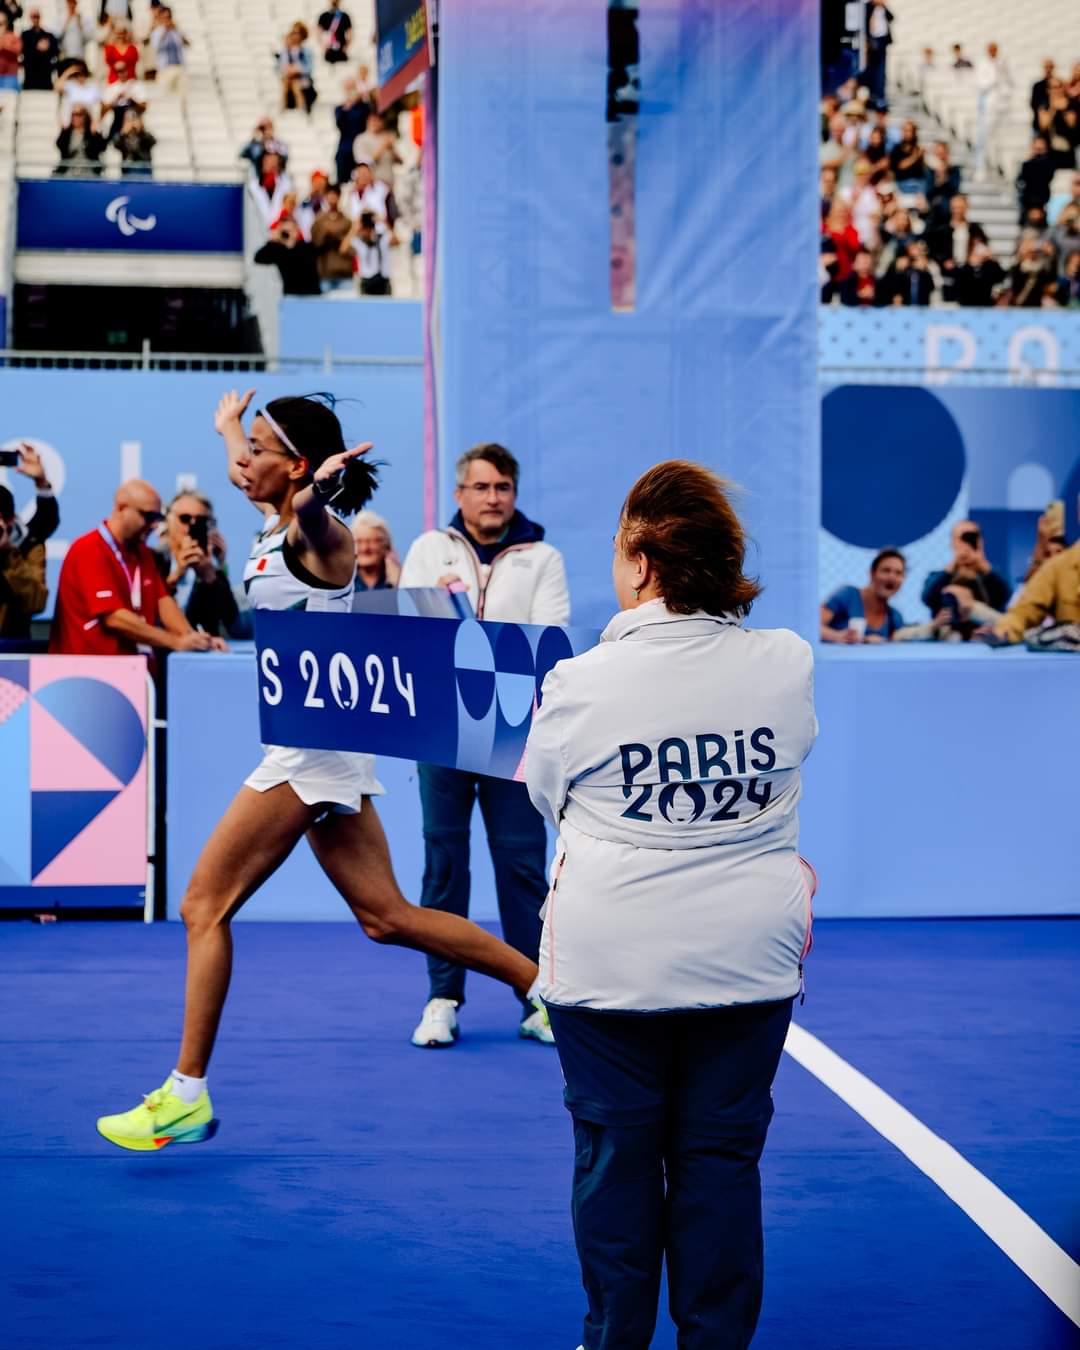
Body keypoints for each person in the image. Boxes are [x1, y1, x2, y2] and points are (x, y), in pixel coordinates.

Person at [94, 390, 546, 1152]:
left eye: (260, 451)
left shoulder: (319, 536)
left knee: (204, 905)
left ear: (298, 468)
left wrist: (317, 494)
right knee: (388, 917)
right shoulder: (269, 522)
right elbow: (257, 470)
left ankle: (185, 1095)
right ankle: (548, 986)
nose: (241, 463)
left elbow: (310, 514)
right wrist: (231, 427)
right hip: (321, 745)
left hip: (310, 755)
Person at [525, 460, 817, 1350]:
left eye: (619, 549)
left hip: (613, 966)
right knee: (721, 1167)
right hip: (750, 961)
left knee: (615, 1165)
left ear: (644, 566)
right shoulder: (787, 662)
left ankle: (615, 1340)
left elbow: (547, 795)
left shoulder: (581, 682)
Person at [398, 441, 569, 1049]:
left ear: (513, 494)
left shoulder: (542, 558)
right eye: (480, 487)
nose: (491, 497)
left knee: (523, 869)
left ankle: (538, 997)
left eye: (501, 487)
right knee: (444, 866)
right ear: (459, 494)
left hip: (517, 736)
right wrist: (456, 625)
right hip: (441, 730)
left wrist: (465, 629)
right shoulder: (426, 549)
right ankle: (442, 998)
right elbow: (413, 632)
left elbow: (544, 641)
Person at [49, 479, 222, 666]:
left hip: (131, 675)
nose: (155, 525)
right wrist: (176, 642)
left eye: (158, 518)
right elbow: (114, 618)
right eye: (148, 516)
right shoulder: (88, 549)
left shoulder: (143, 553)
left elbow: (163, 602)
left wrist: (197, 640)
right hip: (88, 676)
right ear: (121, 509)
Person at [153, 491, 240, 638]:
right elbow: (147, 615)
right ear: (169, 521)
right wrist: (175, 576)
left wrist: (211, 575)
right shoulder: (154, 559)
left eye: (200, 520)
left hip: (200, 654)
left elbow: (232, 623)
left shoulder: (210, 567)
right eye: (185, 518)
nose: (191, 526)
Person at [0, 444, 58, 641]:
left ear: (10, 520)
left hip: (11, 647)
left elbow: (35, 602)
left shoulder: (28, 545)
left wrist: (8, 555)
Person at [988, 540, 1080, 642]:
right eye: (1047, 553)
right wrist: (1002, 631)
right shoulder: (1057, 567)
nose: (1051, 556)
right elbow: (1024, 611)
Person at [922, 521, 1009, 618]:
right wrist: (953, 567)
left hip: (988, 630)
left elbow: (1007, 595)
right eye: (962, 538)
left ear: (980, 541)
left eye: (971, 538)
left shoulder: (992, 575)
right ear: (952, 543)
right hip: (949, 630)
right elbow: (927, 598)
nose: (966, 542)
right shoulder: (939, 576)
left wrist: (982, 565)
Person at [821, 548, 905, 642]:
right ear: (872, 573)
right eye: (886, 570)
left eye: (898, 573)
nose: (892, 577)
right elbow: (812, 626)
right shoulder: (848, 595)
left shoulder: (895, 618)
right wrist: (837, 636)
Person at [254, 214, 321, 295]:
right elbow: (258, 258)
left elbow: (301, 261)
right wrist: (272, 241)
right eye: (284, 232)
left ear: (296, 231)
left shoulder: (306, 248)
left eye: (290, 231)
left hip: (311, 296)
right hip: (290, 296)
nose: (287, 234)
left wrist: (290, 244)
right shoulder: (279, 250)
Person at [974, 42, 1012, 180]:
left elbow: (1009, 83)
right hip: (988, 105)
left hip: (1001, 105)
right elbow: (981, 84)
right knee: (983, 137)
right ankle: (981, 167)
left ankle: (998, 167)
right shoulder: (983, 64)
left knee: (999, 139)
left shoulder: (1003, 63)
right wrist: (995, 74)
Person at [310, 182, 354, 290]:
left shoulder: (346, 221)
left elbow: (352, 247)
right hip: (325, 273)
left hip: (344, 272)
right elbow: (314, 245)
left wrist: (338, 236)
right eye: (330, 194)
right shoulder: (319, 221)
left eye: (335, 195)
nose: (332, 198)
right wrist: (325, 233)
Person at [345, 209, 392, 295]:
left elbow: (396, 240)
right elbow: (343, 249)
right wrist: (354, 227)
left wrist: (384, 221)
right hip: (366, 281)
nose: (367, 229)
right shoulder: (358, 242)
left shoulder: (382, 238)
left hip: (383, 280)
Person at [351, 509, 399, 591]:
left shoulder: (401, 579)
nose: (364, 548)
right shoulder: (344, 583)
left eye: (370, 541)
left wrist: (396, 584)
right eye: (358, 542)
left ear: (386, 546)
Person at [333, 76, 369, 185]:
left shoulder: (364, 107)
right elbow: (340, 125)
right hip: (346, 149)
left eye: (353, 88)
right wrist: (347, 106)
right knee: (343, 181)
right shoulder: (341, 108)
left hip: (361, 148)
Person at [54, 104, 106, 175]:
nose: (75, 117)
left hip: (89, 174)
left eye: (79, 114)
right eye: (73, 114)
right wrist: (63, 132)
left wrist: (95, 135)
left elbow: (102, 148)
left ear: (86, 116)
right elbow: (60, 146)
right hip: (69, 173)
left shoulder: (91, 133)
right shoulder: (67, 133)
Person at [1017, 135, 1057, 224]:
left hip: (1043, 201)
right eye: (1036, 148)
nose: (1038, 151)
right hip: (1028, 202)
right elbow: (1020, 181)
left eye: (1041, 148)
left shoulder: (1050, 164)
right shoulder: (1026, 164)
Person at [278, 22, 314, 114]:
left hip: (301, 78)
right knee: (286, 83)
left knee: (296, 85)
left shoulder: (306, 51)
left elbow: (309, 68)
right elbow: (280, 66)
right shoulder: (285, 51)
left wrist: (297, 69)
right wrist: (288, 70)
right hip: (288, 78)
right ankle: (283, 107)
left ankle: (301, 108)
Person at [861, 1, 893, 105]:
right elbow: (864, 23)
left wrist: (884, 7)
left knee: (881, 70)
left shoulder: (883, 9)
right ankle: (873, 94)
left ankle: (880, 94)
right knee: (872, 69)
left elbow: (891, 17)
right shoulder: (868, 7)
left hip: (882, 41)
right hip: (873, 42)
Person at [151, 5, 186, 100]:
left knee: (182, 96)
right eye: (165, 17)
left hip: (179, 66)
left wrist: (177, 30)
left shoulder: (176, 31)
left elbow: (186, 43)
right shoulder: (157, 32)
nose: (167, 20)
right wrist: (164, 30)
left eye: (169, 17)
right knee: (164, 97)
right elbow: (156, 47)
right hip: (164, 68)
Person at [20, 8, 58, 90]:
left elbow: (55, 52)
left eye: (37, 16)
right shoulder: (25, 35)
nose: (35, 19)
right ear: (30, 18)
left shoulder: (48, 35)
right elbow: (23, 51)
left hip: (45, 78)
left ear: (40, 17)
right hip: (30, 78)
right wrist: (37, 46)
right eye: (33, 16)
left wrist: (47, 48)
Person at [56, 0, 92, 75]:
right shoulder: (61, 18)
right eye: (69, 3)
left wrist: (80, 24)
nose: (71, 5)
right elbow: (57, 37)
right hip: (66, 56)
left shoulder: (83, 18)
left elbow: (88, 38)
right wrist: (67, 21)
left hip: (79, 56)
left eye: (73, 3)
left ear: (76, 4)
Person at [115, 107, 154, 176]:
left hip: (144, 169)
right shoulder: (123, 136)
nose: (131, 122)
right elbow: (116, 144)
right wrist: (123, 133)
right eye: (128, 120)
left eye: (134, 119)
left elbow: (151, 142)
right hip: (127, 170)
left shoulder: (145, 135)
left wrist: (140, 131)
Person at [0, 10, 22, 88]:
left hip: (9, 77)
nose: (1, 26)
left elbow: (19, 49)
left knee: (9, 99)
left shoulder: (13, 36)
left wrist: (4, 44)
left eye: (2, 23)